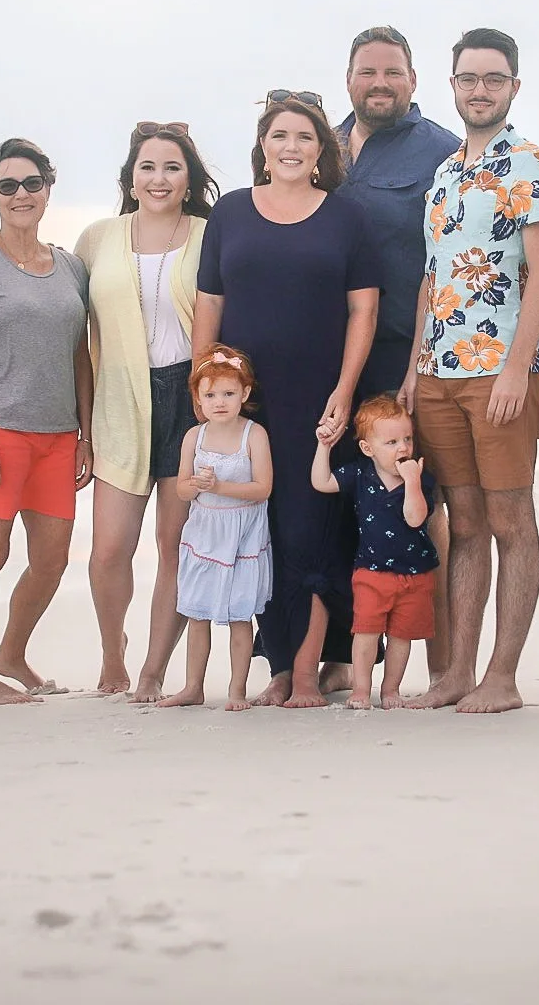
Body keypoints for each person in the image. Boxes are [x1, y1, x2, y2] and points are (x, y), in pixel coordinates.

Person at [192, 92, 380, 708]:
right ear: (262, 147)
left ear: (321, 149)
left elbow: (363, 308)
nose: (291, 147)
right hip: (243, 400)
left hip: (318, 397)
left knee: (310, 528)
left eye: (304, 136)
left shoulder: (346, 217)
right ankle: (275, 665)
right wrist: (206, 386)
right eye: (280, 136)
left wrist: (345, 391)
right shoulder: (231, 212)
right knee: (257, 527)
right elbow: (210, 304)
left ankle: (308, 670)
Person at [404, 28, 539, 714]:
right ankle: (457, 673)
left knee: (510, 518)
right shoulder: (443, 175)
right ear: (453, 86)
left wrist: (517, 369)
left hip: (500, 370)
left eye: (493, 79)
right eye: (468, 79)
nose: (479, 90)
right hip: (438, 371)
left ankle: (504, 676)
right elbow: (431, 276)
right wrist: (415, 366)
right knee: (463, 521)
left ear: (514, 88)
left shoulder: (530, 166)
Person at [330, 24, 461, 684]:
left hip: (407, 360)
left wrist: (419, 366)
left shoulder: (442, 152)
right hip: (330, 360)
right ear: (348, 77)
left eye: (392, 72)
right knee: (336, 504)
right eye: (366, 72)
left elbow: (452, 265)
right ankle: (336, 660)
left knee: (417, 508)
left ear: (413, 80)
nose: (378, 84)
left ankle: (439, 667)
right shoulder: (320, 146)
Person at [0, 139, 94, 704]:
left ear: (48, 191)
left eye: (31, 183)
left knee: (52, 559)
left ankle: (11, 652)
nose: (21, 195)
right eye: (7, 186)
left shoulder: (71, 268)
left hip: (57, 437)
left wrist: (84, 434)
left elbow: (80, 354)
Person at [74, 122, 217, 699]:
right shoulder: (97, 238)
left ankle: (154, 670)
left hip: (193, 396)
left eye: (172, 168)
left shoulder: (211, 234)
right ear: (131, 178)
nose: (159, 179)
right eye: (148, 168)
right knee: (110, 548)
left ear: (189, 180)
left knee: (174, 544)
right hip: (119, 397)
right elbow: (75, 337)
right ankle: (114, 655)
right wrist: (79, 427)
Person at [158, 346, 274, 711]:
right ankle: (193, 686)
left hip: (242, 537)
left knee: (240, 615)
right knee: (198, 613)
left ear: (245, 394)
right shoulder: (195, 436)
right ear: (198, 399)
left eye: (228, 394)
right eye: (210, 395)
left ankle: (237, 689)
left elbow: (262, 489)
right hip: (205, 535)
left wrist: (220, 486)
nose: (219, 402)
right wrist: (196, 485)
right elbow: (180, 488)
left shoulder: (254, 435)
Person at [312, 394, 439, 710]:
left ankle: (391, 689)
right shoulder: (360, 473)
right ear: (368, 449)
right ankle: (361, 689)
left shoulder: (419, 479)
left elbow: (415, 517)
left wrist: (412, 482)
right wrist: (324, 447)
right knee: (366, 632)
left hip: (414, 574)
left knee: (401, 636)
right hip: (371, 572)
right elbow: (322, 482)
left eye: (407, 439)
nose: (403, 448)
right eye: (392, 441)